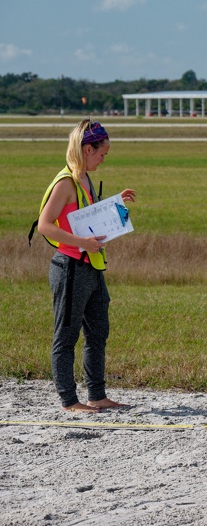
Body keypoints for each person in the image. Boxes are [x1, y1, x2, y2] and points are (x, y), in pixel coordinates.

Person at [32, 120, 136, 412]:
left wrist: (117, 204)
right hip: (70, 268)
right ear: (87, 148)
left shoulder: (86, 179)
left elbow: (87, 216)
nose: (104, 159)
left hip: (91, 265)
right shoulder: (66, 182)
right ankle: (69, 400)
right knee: (66, 336)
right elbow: (44, 225)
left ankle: (97, 395)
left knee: (98, 331)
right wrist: (81, 240)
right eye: (102, 153)